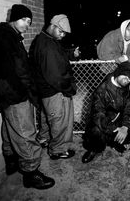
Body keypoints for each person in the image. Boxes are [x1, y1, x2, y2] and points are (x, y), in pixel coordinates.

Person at [0, 4, 55, 190]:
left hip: (8, 95)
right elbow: (7, 71)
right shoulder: (4, 37)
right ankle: (31, 173)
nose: (27, 24)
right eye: (24, 20)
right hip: (14, 95)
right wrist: (19, 94)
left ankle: (11, 160)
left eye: (29, 22)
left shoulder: (9, 35)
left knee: (10, 126)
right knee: (25, 133)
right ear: (14, 18)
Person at [30, 14, 79, 160]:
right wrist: (70, 88)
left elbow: (59, 54)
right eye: (61, 31)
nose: (63, 35)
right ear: (53, 26)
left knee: (48, 117)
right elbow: (56, 76)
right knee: (59, 121)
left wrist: (71, 53)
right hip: (55, 91)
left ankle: (43, 138)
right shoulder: (47, 46)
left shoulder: (45, 39)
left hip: (45, 91)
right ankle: (57, 150)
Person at [81, 62, 130, 163]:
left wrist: (125, 127)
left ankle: (117, 143)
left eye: (129, 78)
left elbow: (128, 109)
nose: (127, 79)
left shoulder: (127, 89)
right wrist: (115, 129)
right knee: (96, 130)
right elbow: (98, 115)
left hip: (118, 121)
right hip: (104, 123)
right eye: (125, 75)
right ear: (117, 73)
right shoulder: (102, 90)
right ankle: (94, 149)